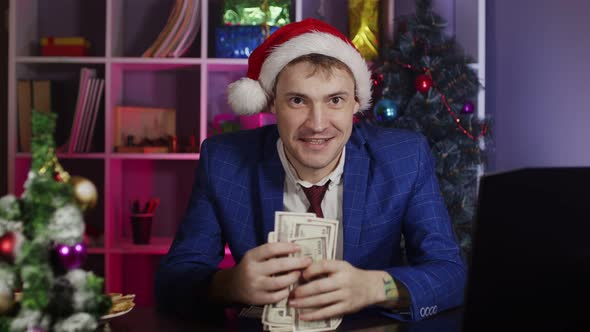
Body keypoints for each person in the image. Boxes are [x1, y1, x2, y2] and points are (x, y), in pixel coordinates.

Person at [155, 18, 465, 322]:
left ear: (356, 103)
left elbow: (451, 273)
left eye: (335, 100)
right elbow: (173, 281)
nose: (317, 124)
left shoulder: (405, 158)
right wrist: (229, 284)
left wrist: (375, 287)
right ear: (272, 103)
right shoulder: (223, 161)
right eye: (298, 100)